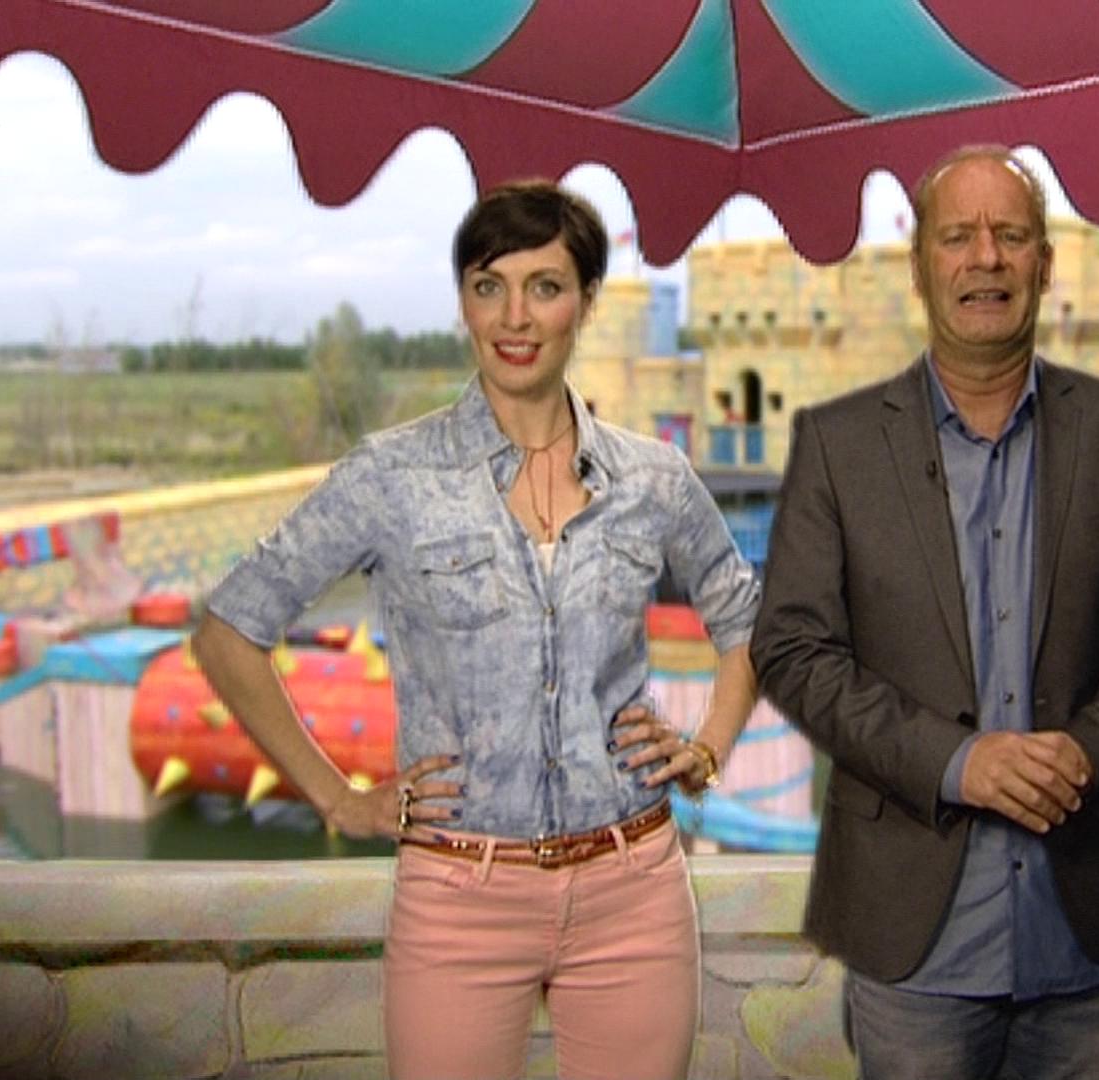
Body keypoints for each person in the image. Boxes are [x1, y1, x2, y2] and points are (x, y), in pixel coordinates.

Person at [192, 179, 761, 1080]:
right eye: (488, 285)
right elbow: (229, 630)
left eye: (545, 286)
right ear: (463, 302)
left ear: (586, 303)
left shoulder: (654, 479)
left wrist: (708, 748)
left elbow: (747, 621)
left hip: (634, 892)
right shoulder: (392, 477)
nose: (514, 316)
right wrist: (338, 799)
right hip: (458, 899)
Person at [749, 145, 1099, 1079]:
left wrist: (1089, 750)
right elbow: (793, 651)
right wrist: (958, 762)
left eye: (1011, 235)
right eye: (958, 236)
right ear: (921, 269)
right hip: (912, 945)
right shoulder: (837, 445)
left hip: (1079, 933)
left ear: (1045, 263)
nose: (985, 257)